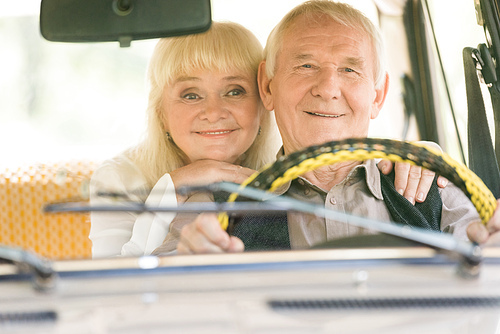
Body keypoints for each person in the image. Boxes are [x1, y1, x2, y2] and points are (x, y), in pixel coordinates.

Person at [89, 18, 444, 258]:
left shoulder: (286, 169)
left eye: (234, 92)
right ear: (161, 110)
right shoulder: (120, 178)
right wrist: (173, 186)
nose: (214, 112)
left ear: (263, 98)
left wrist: (426, 155)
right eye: (191, 95)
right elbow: (110, 294)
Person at [175, 0, 496, 255]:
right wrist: (189, 270)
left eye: (349, 69)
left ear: (378, 95)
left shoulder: (434, 188)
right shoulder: (217, 211)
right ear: (268, 86)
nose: (328, 88)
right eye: (306, 66)